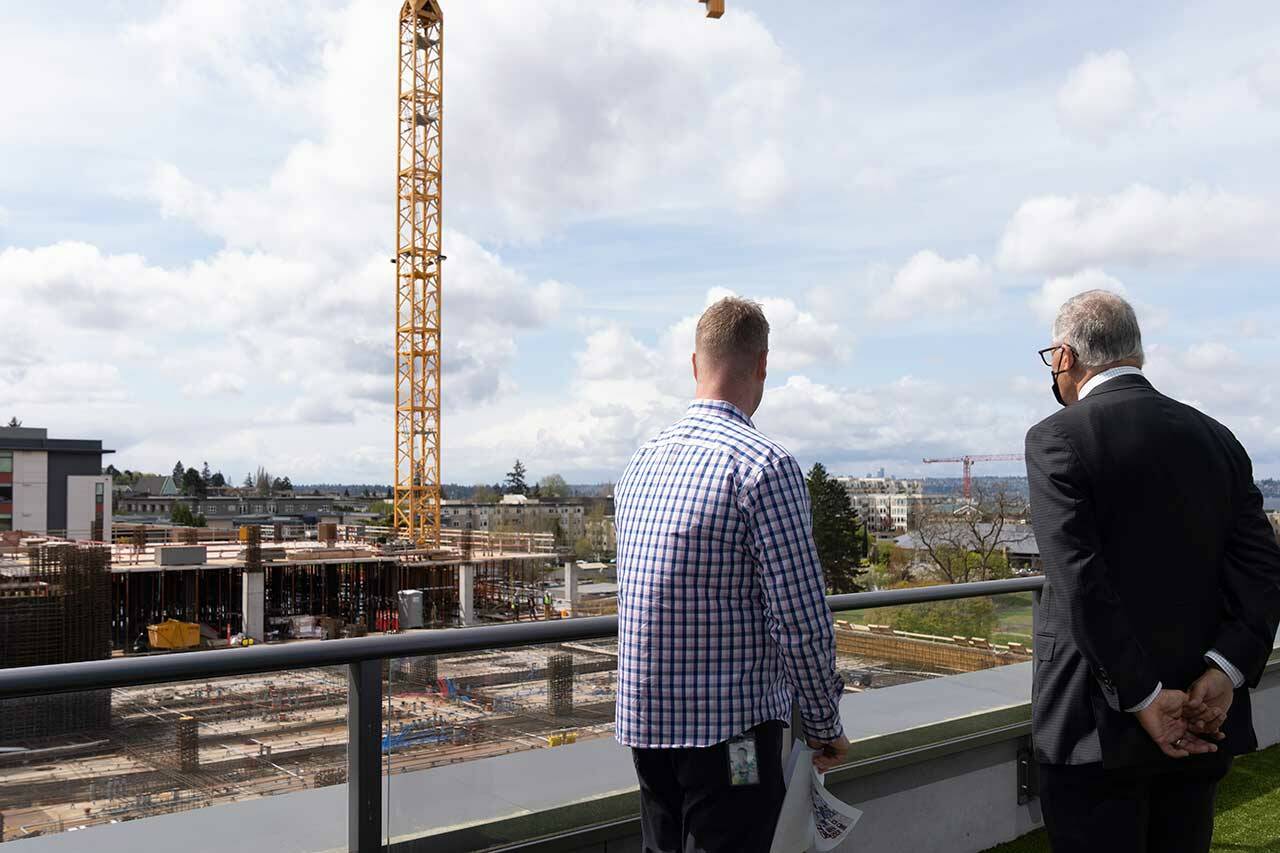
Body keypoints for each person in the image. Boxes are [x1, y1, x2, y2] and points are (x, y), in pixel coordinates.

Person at [1027, 290, 1280, 852]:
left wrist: (1144, 697)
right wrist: (1225, 672)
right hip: (1203, 716)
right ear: (1135, 354)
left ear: (1065, 357)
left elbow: (1079, 583)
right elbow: (1264, 571)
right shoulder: (1218, 438)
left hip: (1095, 729)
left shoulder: (1057, 439)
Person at [614, 296, 849, 853]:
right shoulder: (763, 465)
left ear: (695, 364)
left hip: (647, 726)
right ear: (762, 366)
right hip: (730, 735)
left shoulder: (642, 461)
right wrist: (822, 721)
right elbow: (799, 615)